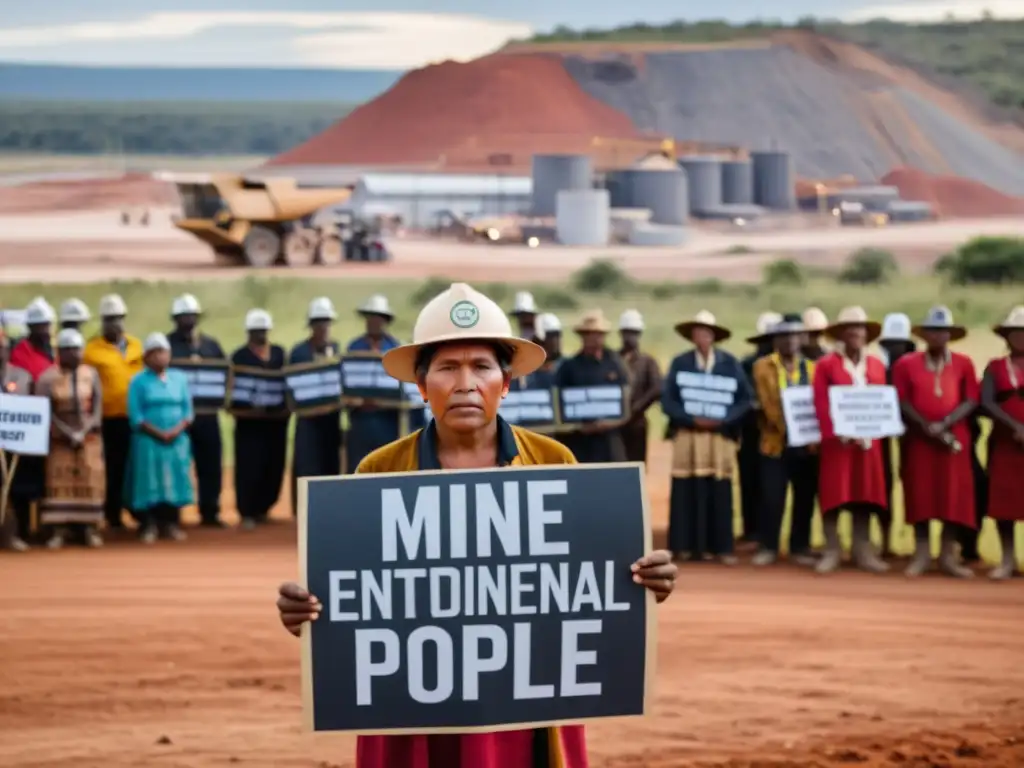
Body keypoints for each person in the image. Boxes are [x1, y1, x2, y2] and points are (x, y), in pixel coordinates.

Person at [274, 282, 677, 768]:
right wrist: (310, 612)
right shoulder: (377, 472)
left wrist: (641, 583)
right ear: (421, 386)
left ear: (505, 383)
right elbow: (356, 608)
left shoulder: (554, 463)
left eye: (482, 367)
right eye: (447, 368)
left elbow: (588, 589)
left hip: (526, 713)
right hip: (411, 717)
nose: (465, 383)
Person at [892, 307, 978, 578]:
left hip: (953, 440)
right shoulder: (906, 364)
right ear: (924, 335)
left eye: (943, 331)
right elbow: (902, 400)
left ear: (951, 335)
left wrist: (945, 423)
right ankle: (921, 554)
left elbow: (971, 399)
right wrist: (925, 425)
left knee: (952, 496)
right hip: (919, 439)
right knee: (921, 493)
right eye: (933, 331)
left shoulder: (964, 363)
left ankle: (947, 556)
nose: (938, 336)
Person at [662, 310, 752, 564]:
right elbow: (668, 400)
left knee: (719, 488)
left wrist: (725, 420)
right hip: (688, 436)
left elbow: (745, 400)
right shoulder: (680, 363)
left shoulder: (729, 363)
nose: (702, 336)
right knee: (686, 489)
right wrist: (691, 420)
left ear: (714, 336)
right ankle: (685, 547)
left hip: (719, 438)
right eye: (697, 331)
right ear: (692, 336)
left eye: (707, 332)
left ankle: (721, 547)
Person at [812, 307, 889, 575]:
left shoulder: (878, 365)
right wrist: (839, 433)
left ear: (867, 334)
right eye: (850, 328)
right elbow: (821, 406)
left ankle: (861, 550)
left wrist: (877, 428)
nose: (856, 332)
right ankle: (832, 548)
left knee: (864, 495)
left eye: (860, 328)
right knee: (834, 494)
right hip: (838, 444)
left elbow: (883, 404)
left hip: (869, 445)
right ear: (841, 334)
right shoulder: (827, 365)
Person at [750, 314, 819, 567]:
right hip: (775, 442)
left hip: (807, 444)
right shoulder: (763, 366)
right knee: (771, 496)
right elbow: (767, 403)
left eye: (794, 335)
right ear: (775, 340)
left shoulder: (812, 368)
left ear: (802, 338)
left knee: (804, 496)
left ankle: (799, 546)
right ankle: (768, 546)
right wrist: (785, 426)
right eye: (783, 336)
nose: (789, 341)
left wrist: (809, 435)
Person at [36, 329, 105, 549]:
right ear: (59, 352)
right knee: (59, 481)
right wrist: (66, 432)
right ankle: (58, 530)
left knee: (89, 480)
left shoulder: (91, 374)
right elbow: (45, 411)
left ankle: (89, 529)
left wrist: (84, 431)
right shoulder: (48, 378)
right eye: (68, 350)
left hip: (89, 438)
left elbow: (97, 406)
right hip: (59, 440)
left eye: (77, 349)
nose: (74, 354)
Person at [125, 332, 194, 544]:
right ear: (145, 357)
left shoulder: (180, 379)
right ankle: (148, 524)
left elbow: (187, 411)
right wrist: (159, 433)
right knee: (149, 481)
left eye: (163, 352)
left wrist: (174, 431)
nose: (159, 357)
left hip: (176, 441)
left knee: (175, 479)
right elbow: (136, 415)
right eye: (154, 353)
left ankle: (171, 523)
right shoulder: (138, 382)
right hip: (148, 440)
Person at [84, 294, 144, 531]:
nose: (114, 323)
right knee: (113, 467)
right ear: (102, 321)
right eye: (109, 319)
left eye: (118, 318)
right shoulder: (92, 350)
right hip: (108, 419)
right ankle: (113, 513)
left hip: (136, 418)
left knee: (136, 466)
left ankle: (138, 510)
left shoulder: (137, 346)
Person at [167, 293, 226, 528]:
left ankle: (210, 511)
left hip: (208, 416)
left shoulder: (212, 346)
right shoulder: (167, 345)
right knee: (176, 465)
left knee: (211, 464)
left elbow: (225, 376)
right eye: (183, 316)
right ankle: (172, 513)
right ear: (175, 319)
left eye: (191, 315)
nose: (187, 320)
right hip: (177, 419)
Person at [231, 309, 288, 531]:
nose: (260, 335)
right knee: (249, 466)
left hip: (276, 423)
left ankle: (264, 507)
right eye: (256, 331)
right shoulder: (239, 356)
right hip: (249, 424)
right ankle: (247, 511)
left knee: (273, 465)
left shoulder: (279, 354)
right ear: (248, 332)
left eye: (263, 331)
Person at [8, 298, 56, 545]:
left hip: (53, 428)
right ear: (29, 328)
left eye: (46, 325)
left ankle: (48, 527)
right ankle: (24, 527)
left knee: (50, 480)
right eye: (38, 326)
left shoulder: (56, 351)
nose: (43, 331)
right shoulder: (19, 354)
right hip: (27, 429)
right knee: (24, 480)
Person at [289, 297, 343, 515]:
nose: (323, 327)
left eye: (326, 321)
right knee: (306, 463)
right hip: (307, 420)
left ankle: (328, 511)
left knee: (331, 463)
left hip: (331, 418)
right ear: (311, 325)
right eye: (319, 322)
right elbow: (290, 387)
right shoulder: (298, 352)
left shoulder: (337, 349)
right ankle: (302, 511)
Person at [982, 306, 1024, 580]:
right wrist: (1015, 426)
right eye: (1015, 333)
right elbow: (986, 401)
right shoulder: (995, 367)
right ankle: (1007, 559)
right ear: (1006, 337)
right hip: (1006, 443)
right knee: (1004, 501)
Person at [555, 309, 629, 463]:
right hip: (579, 441)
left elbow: (626, 401)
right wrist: (579, 426)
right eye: (588, 334)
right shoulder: (569, 367)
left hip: (610, 440)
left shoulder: (616, 364)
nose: (594, 338)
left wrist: (610, 423)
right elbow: (559, 403)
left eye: (598, 333)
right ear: (582, 336)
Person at [738, 311, 782, 547]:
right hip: (751, 428)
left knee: (770, 484)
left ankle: (766, 532)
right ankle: (751, 530)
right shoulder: (746, 364)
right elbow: (743, 395)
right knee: (749, 479)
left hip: (777, 431)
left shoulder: (784, 364)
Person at [346, 294, 402, 473]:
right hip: (360, 421)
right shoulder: (354, 347)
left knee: (387, 468)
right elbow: (346, 384)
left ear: (385, 320)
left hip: (387, 422)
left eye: (378, 318)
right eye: (370, 317)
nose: (374, 322)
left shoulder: (396, 348)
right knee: (359, 468)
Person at [876, 312, 915, 554]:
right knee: (884, 482)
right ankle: (886, 540)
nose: (894, 349)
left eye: (898, 344)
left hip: (914, 433)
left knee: (913, 481)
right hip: (880, 434)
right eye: (890, 345)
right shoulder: (879, 370)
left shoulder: (914, 368)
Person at [0, 326, 33, 552]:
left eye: (1, 348)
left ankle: (13, 534)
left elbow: (29, 409)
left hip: (14, 444)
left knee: (14, 488)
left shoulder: (22, 376)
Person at [618, 309, 663, 466]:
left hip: (637, 423)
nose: (631, 337)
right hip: (612, 425)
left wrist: (636, 409)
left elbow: (656, 389)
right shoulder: (612, 359)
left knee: (636, 466)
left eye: (635, 333)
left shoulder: (647, 362)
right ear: (621, 333)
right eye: (627, 332)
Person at [528, 313, 563, 389]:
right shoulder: (526, 372)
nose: (556, 340)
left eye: (557, 335)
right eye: (551, 336)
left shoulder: (565, 367)